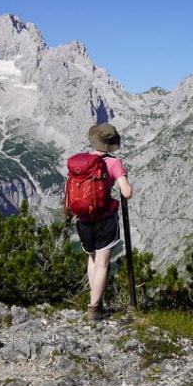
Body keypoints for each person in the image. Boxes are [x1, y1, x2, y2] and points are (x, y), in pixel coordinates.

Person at [74, 122, 133, 321]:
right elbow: (127, 192)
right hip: (104, 219)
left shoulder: (82, 162)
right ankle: (94, 308)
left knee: (91, 259)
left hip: (83, 219)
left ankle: (95, 301)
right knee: (102, 264)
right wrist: (122, 178)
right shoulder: (114, 162)